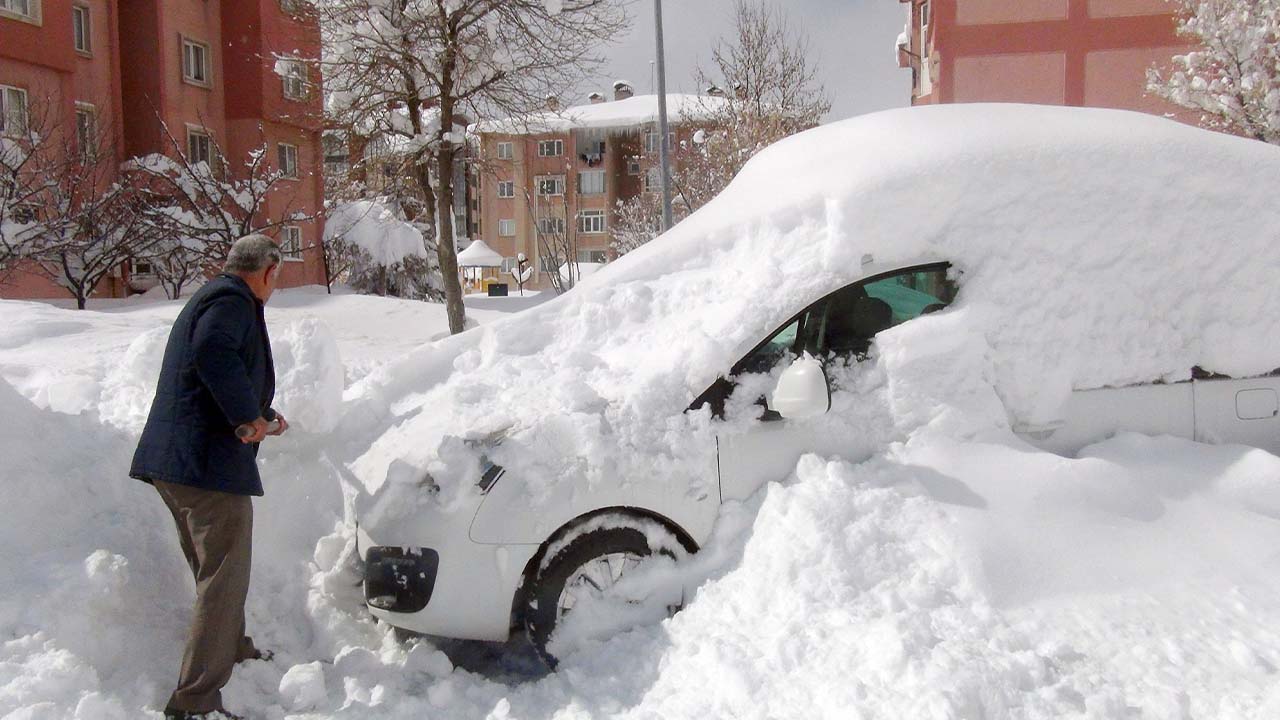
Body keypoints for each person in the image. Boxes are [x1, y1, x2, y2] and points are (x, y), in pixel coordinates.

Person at [130, 234, 290, 720]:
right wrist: (246, 417)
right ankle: (195, 703)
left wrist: (262, 412)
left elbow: (221, 369)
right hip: (204, 467)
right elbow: (213, 353)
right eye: (276, 279)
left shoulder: (217, 297)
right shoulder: (231, 302)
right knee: (223, 577)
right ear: (266, 272)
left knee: (217, 573)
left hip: (183, 463)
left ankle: (232, 649)